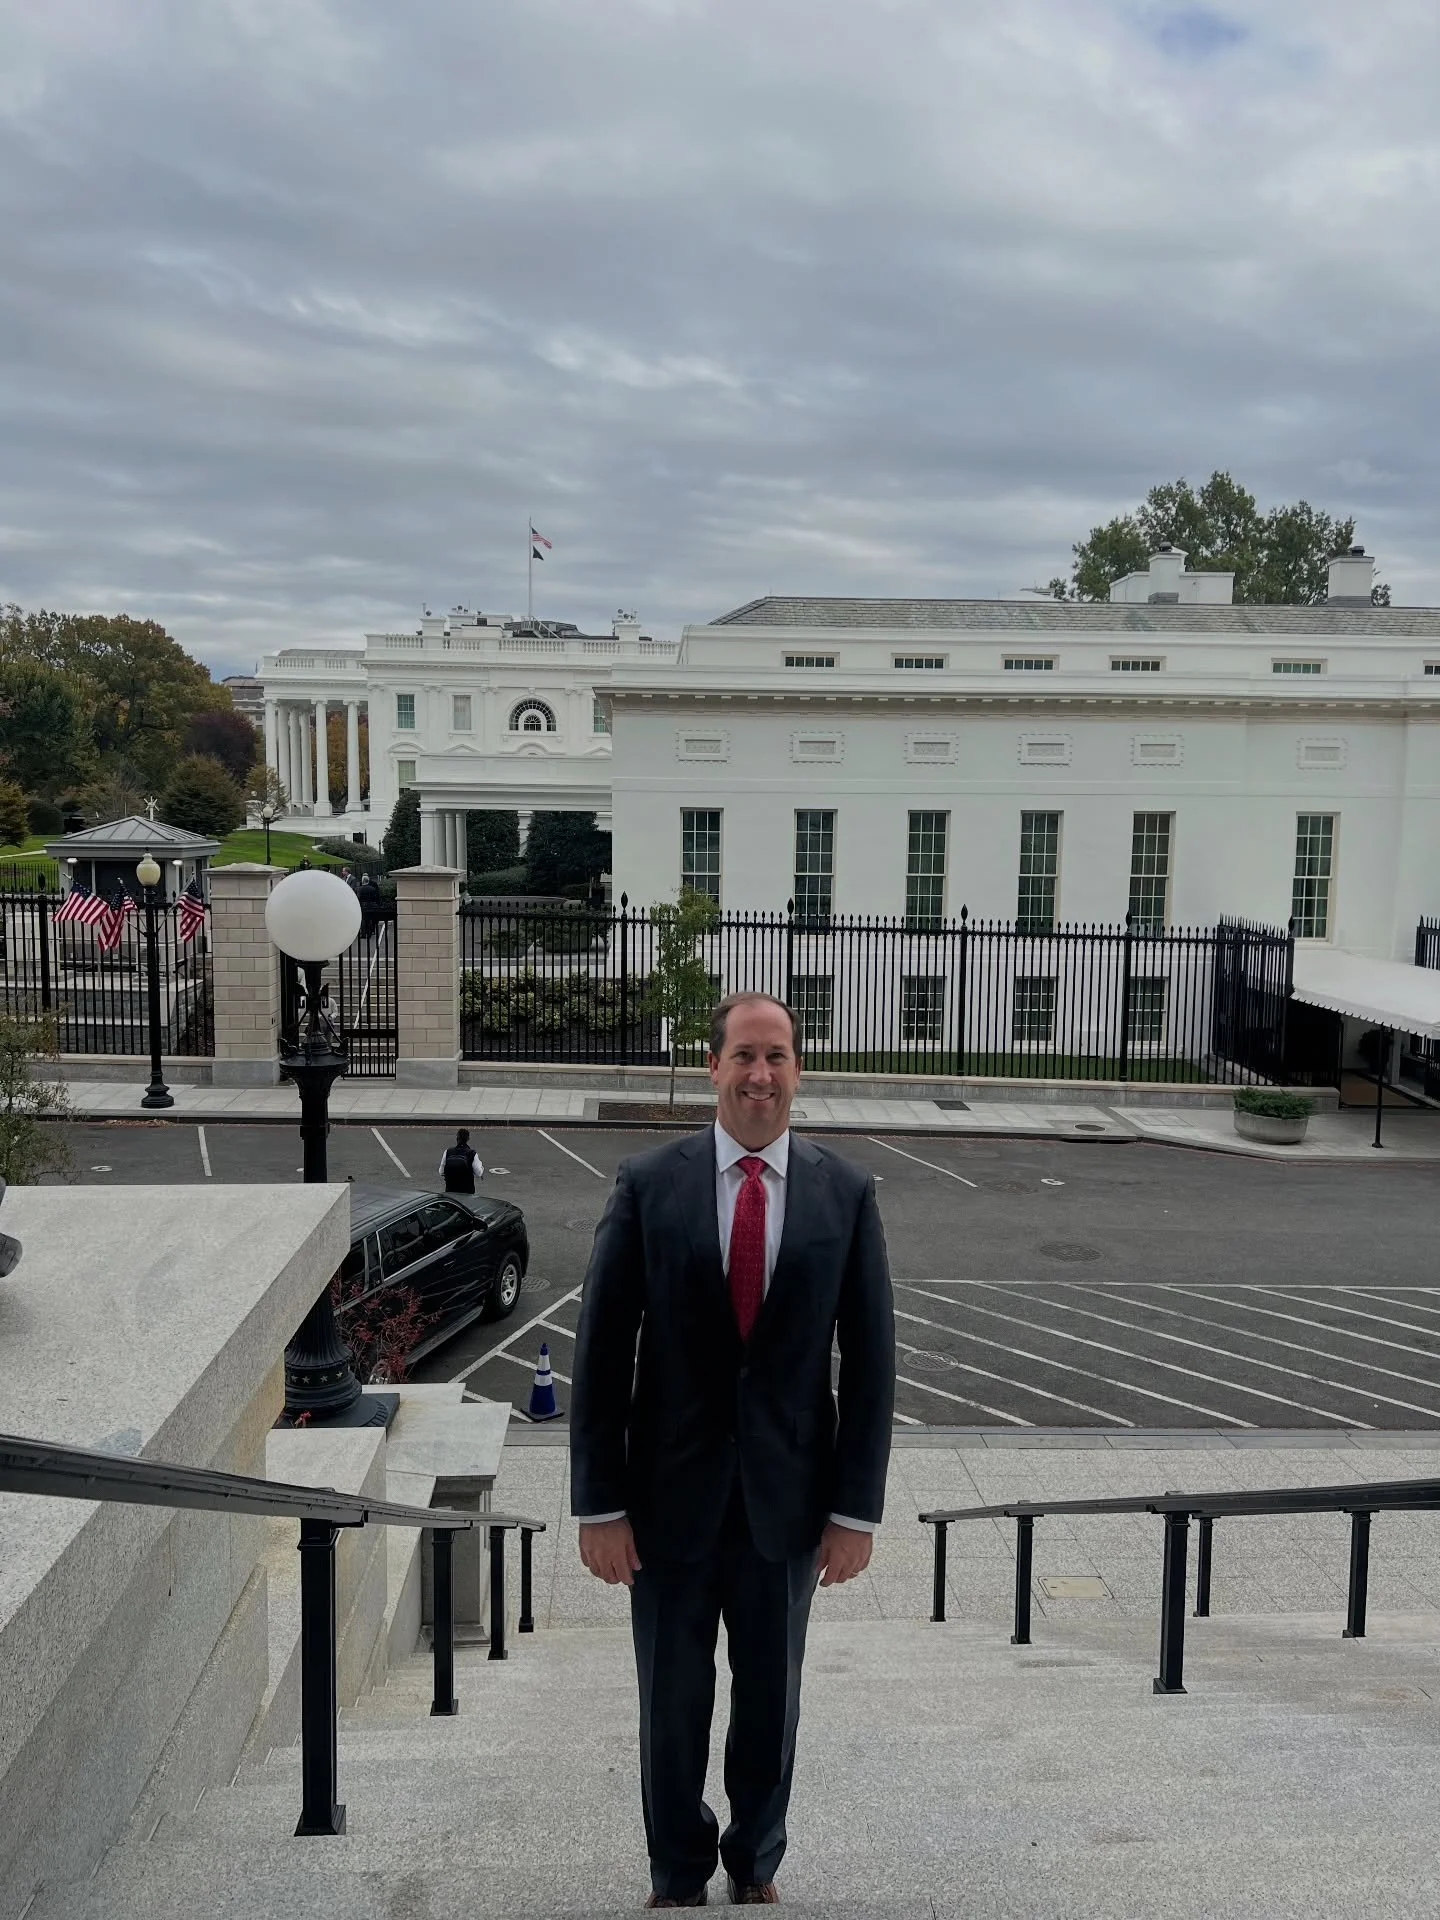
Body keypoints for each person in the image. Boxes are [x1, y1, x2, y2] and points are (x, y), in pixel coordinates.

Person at [571, 992, 895, 1909]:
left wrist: (853, 1512)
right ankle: (677, 1870)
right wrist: (599, 1505)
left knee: (771, 1708)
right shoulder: (648, 1184)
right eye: (744, 1057)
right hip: (666, 1508)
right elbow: (602, 1350)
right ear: (712, 1068)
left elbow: (871, 1367)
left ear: (800, 1071)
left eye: (778, 1058)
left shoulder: (845, 1193)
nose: (761, 1076)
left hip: (785, 1511)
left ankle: (756, 1861)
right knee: (670, 1709)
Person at [438, 1127, 483, 1193]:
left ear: (457, 1138)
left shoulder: (448, 1152)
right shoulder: (472, 1153)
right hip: (467, 1191)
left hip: (450, 1191)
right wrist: (481, 1166)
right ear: (468, 1139)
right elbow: (479, 1173)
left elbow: (441, 1172)